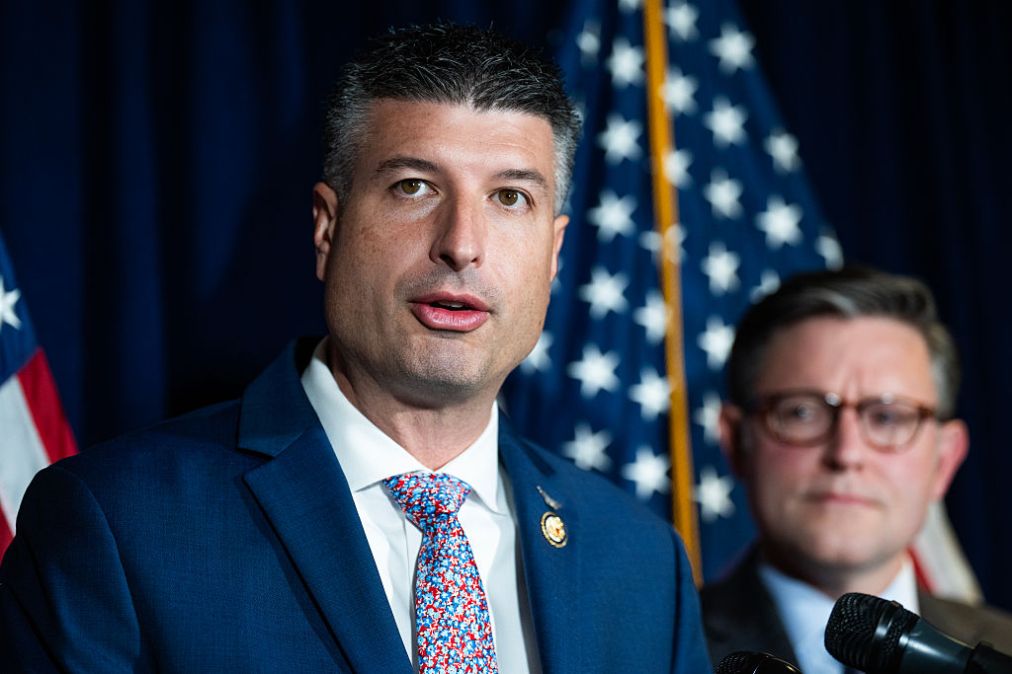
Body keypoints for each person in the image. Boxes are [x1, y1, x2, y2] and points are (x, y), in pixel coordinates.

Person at [0, 23, 711, 673]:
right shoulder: (118, 522)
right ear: (327, 228)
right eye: (414, 187)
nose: (462, 245)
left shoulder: (642, 563)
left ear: (553, 255)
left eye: (509, 198)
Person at [701, 266, 1012, 672]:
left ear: (944, 460)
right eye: (802, 412)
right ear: (736, 442)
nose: (846, 453)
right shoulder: (656, 650)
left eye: (887, 417)